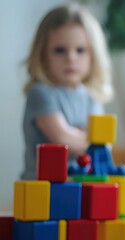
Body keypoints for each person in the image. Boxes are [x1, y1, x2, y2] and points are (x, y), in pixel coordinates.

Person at [21, 3, 113, 180]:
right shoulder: (40, 93)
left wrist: (84, 138)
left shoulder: (91, 98)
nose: (71, 58)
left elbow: (105, 145)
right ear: (42, 54)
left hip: (81, 182)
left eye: (80, 50)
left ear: (93, 56)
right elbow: (63, 138)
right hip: (44, 186)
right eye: (59, 50)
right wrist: (88, 137)